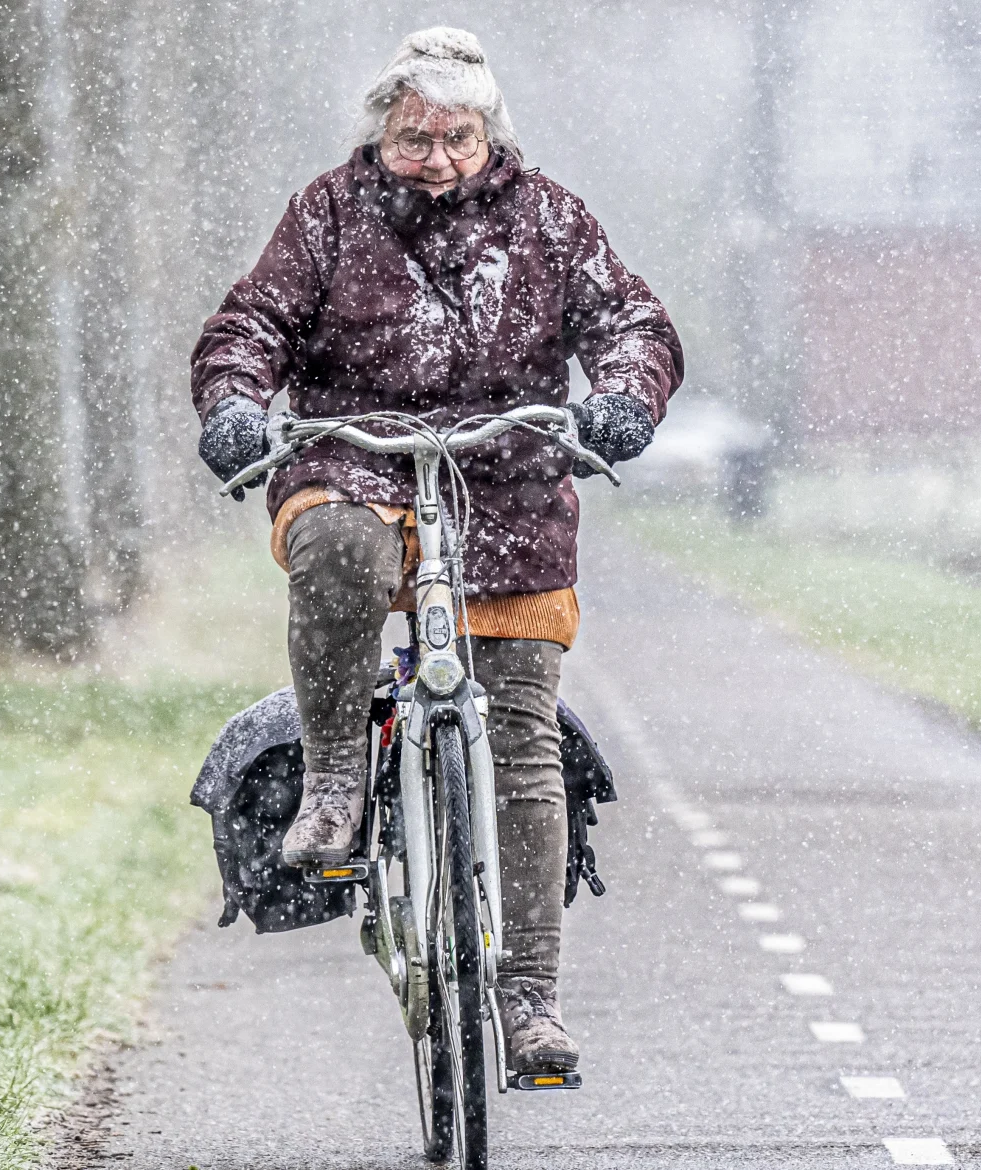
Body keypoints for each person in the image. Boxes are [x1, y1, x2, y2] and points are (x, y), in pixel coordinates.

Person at [190, 27, 683, 1075]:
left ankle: (530, 1002)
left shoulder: (550, 219)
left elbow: (632, 321)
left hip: (507, 483)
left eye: (458, 138)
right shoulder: (327, 214)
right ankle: (332, 786)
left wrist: (624, 400)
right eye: (416, 139)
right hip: (356, 462)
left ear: (489, 133)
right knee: (332, 548)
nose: (439, 159)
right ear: (382, 130)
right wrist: (236, 403)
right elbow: (249, 326)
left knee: (521, 734)